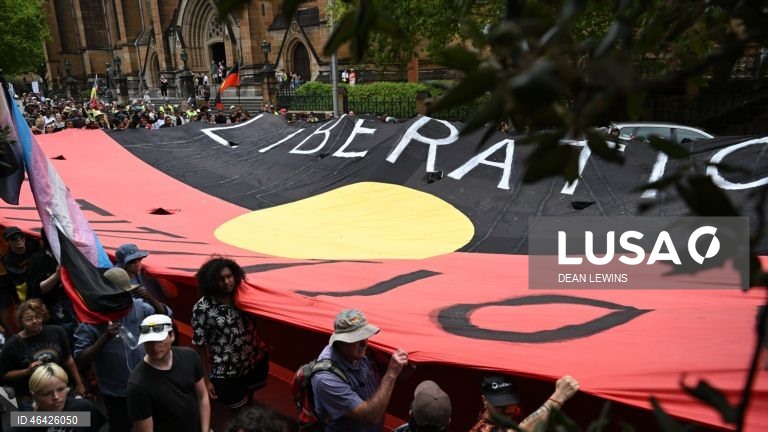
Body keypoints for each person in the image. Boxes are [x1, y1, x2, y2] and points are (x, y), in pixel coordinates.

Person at [74, 267, 170, 432]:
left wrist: (151, 299)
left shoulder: (140, 307)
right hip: (116, 394)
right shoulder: (92, 320)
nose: (125, 299)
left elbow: (166, 320)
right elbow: (80, 360)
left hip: (148, 385)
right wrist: (104, 339)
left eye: (127, 293)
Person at [311, 308, 408, 432]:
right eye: (356, 339)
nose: (364, 343)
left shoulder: (363, 352)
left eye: (365, 336)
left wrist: (410, 364)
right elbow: (370, 416)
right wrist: (391, 375)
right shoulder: (326, 378)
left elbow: (402, 375)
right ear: (340, 342)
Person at [192, 257, 269, 412]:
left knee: (249, 401)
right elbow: (199, 346)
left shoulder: (245, 296)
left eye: (229, 276)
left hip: (254, 362)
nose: (227, 282)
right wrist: (206, 380)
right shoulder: (202, 308)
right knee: (240, 411)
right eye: (221, 279)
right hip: (226, 372)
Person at [127, 314, 210, 432]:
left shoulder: (190, 356)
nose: (154, 347)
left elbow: (202, 396)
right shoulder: (137, 385)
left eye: (159, 340)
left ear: (172, 336)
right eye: (149, 342)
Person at [0, 299, 86, 411]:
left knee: (71, 423)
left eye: (38, 317)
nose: (34, 321)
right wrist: (27, 371)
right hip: (30, 398)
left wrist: (79, 384)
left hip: (59, 392)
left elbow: (68, 359)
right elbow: (3, 374)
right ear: (21, 321)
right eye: (28, 319)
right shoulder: (11, 345)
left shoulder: (57, 331)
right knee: (31, 425)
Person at [9, 363, 106, 431]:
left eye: (61, 389)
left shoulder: (83, 408)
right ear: (34, 395)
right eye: (47, 393)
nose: (56, 397)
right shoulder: (23, 423)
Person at [469, 374, 579, 432]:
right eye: (500, 404)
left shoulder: (515, 413)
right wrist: (559, 396)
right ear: (484, 400)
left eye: (509, 401)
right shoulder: (481, 429)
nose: (507, 410)